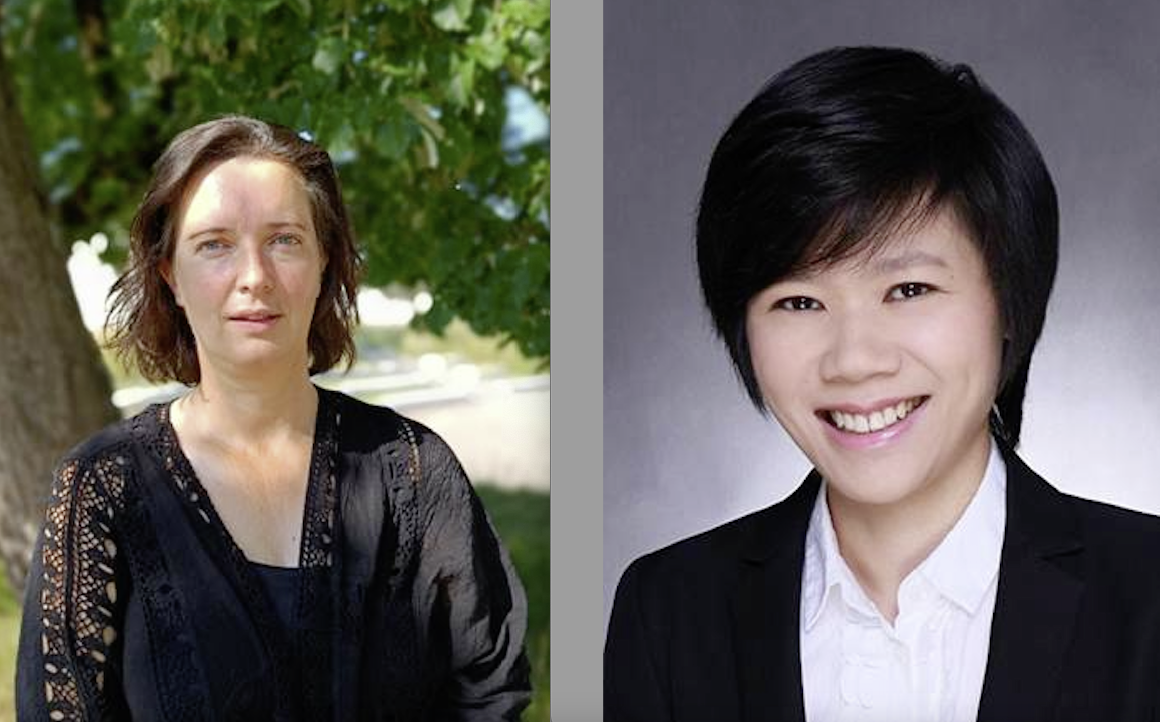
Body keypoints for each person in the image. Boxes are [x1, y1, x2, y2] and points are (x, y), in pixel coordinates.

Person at [604, 46, 1160, 722]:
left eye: (909, 289)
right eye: (799, 302)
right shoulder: (669, 611)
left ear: (1009, 304)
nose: (854, 360)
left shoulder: (1146, 596)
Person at [17, 115, 530, 720]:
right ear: (170, 275)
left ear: (324, 262)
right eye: (215, 244)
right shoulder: (104, 488)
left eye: (284, 240)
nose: (255, 278)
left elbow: (489, 691)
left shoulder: (414, 473)